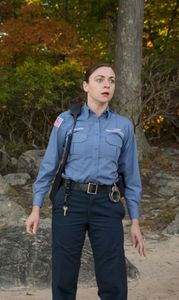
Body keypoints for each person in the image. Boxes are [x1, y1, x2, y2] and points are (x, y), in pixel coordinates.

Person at [25, 62, 146, 300]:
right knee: (64, 275)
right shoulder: (66, 121)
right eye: (100, 79)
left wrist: (135, 221)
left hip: (107, 203)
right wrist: (36, 208)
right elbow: (49, 166)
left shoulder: (123, 126)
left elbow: (131, 176)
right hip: (71, 201)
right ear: (86, 86)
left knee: (113, 277)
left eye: (111, 80)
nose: (106, 85)